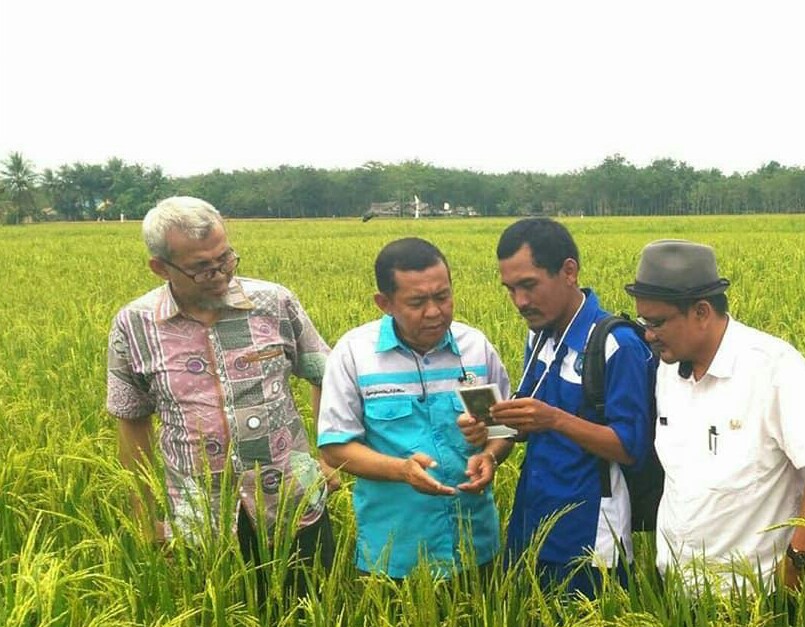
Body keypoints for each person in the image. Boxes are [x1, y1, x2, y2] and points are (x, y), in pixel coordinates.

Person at [107, 196, 338, 597]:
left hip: (292, 500)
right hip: (201, 521)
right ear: (161, 268)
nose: (219, 274)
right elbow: (131, 420)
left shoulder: (274, 302)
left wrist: (329, 454)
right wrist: (144, 518)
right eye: (201, 268)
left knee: (314, 620)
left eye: (225, 258)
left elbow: (327, 375)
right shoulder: (134, 325)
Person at [460, 218, 655, 597]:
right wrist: (491, 438)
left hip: (590, 537)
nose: (520, 301)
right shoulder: (540, 336)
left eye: (529, 285)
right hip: (531, 521)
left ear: (568, 271)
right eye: (511, 289)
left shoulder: (617, 345)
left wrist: (554, 419)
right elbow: (527, 421)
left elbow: (632, 448)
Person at [317, 237, 512, 579]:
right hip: (394, 553)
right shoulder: (354, 355)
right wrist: (401, 470)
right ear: (385, 303)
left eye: (443, 296)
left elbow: (502, 429)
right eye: (417, 302)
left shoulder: (476, 349)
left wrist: (491, 454)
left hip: (475, 545)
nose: (435, 311)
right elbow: (335, 447)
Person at [625, 239, 805, 591]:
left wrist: (796, 565)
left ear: (702, 312)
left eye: (658, 322)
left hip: (753, 599)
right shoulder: (668, 369)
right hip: (676, 589)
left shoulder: (775, 370)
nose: (648, 334)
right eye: (643, 321)